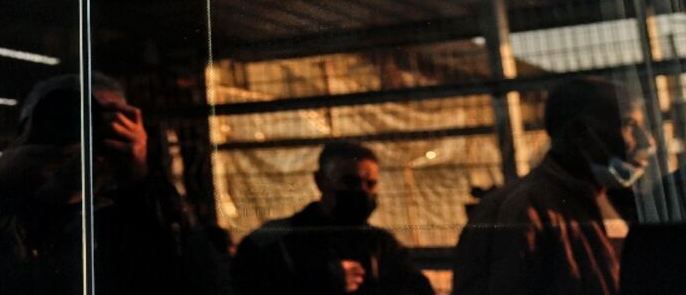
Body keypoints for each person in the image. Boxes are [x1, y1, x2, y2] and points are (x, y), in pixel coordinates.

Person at [0, 73, 231, 295]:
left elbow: (203, 283)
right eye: (68, 117)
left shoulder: (135, 215)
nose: (83, 130)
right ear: (26, 129)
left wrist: (140, 182)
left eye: (100, 119)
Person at [452, 77, 655, 295]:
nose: (648, 141)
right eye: (629, 125)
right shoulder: (520, 211)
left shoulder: (617, 197)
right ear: (578, 133)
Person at [232, 141, 433, 295]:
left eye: (370, 184)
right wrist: (315, 283)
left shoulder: (383, 246)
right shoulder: (274, 242)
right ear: (321, 181)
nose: (362, 192)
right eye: (350, 181)